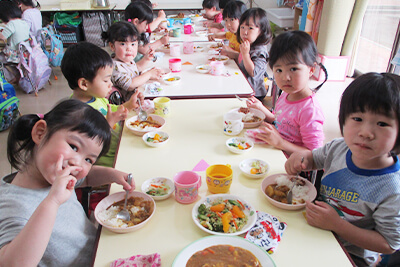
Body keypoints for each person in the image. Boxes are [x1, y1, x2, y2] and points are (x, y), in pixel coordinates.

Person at [0, 99, 135, 266]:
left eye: (88, 159)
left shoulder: (57, 176)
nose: (77, 163)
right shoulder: (10, 204)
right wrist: (53, 201)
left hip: (99, 251)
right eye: (74, 147)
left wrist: (112, 175)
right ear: (40, 133)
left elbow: (87, 178)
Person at [285, 72, 400, 266]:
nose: (365, 133)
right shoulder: (339, 147)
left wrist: (337, 225)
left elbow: (389, 244)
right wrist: (301, 158)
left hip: (351, 254)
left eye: (381, 123)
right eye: (357, 118)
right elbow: (314, 159)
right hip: (315, 228)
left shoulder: (392, 189)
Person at [61, 41, 144, 167]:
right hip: (109, 161)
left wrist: (129, 104)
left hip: (120, 145)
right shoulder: (78, 114)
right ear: (84, 84)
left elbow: (113, 110)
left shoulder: (96, 98)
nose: (110, 84)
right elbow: (91, 145)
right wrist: (109, 123)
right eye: (105, 80)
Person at [246, 30, 327, 157]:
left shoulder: (310, 110)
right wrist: (260, 108)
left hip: (292, 166)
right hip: (274, 152)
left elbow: (315, 155)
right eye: (279, 70)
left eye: (293, 69)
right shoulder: (286, 94)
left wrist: (281, 143)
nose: (285, 77)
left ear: (311, 69)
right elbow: (280, 121)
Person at [102, 21, 162, 102]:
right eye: (123, 44)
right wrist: (149, 74)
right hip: (127, 106)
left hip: (136, 98)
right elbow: (130, 84)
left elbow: (137, 67)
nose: (129, 49)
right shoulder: (115, 67)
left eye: (133, 44)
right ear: (112, 46)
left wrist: (147, 59)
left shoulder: (125, 60)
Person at [237, 8, 271, 101]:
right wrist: (231, 53)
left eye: (250, 28)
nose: (245, 32)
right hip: (244, 85)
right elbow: (241, 59)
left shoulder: (260, 51)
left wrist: (245, 54)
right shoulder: (249, 44)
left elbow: (253, 72)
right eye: (242, 27)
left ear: (261, 31)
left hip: (254, 93)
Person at [0, 1, 30, 82]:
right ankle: (16, 75)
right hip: (24, 54)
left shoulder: (12, 24)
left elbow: (2, 37)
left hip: (13, 55)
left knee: (1, 58)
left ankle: (10, 78)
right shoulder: (23, 22)